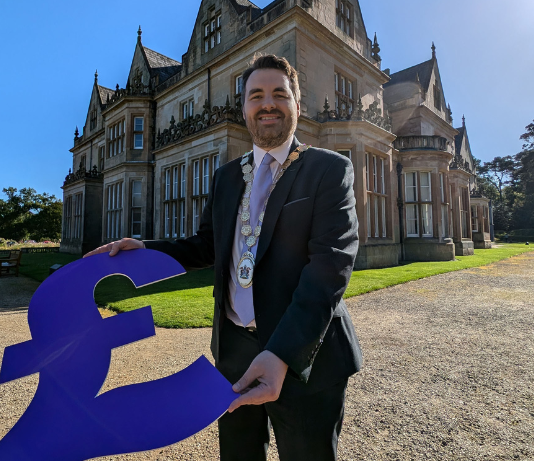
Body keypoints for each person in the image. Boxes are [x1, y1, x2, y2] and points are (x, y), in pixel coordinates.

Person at [85, 54, 362, 461]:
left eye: (279, 94)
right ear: (244, 107)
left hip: (307, 357)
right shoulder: (227, 175)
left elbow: (330, 268)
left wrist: (282, 353)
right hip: (233, 354)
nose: (267, 103)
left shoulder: (329, 169)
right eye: (256, 95)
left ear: (296, 106)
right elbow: (207, 246)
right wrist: (146, 249)